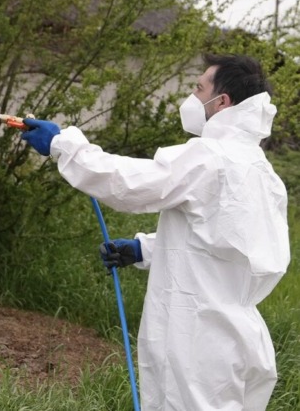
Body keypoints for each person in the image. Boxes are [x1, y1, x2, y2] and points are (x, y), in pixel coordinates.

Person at [22, 53, 290, 410]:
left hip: (196, 339)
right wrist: (145, 249)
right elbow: (224, 242)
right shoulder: (261, 171)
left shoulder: (211, 156)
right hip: (240, 339)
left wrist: (64, 147)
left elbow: (131, 184)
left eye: (199, 88)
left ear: (222, 102)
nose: (192, 97)